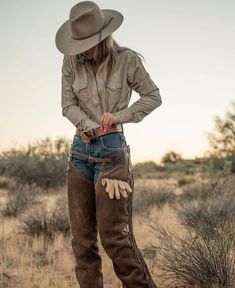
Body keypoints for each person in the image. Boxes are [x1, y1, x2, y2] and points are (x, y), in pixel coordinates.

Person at [55, 1, 162, 288]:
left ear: (103, 38)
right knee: (82, 242)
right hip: (79, 155)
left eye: (88, 45)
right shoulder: (70, 61)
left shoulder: (127, 60)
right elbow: (67, 105)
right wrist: (86, 125)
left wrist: (121, 116)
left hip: (113, 156)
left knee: (116, 238)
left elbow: (153, 96)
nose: (83, 52)